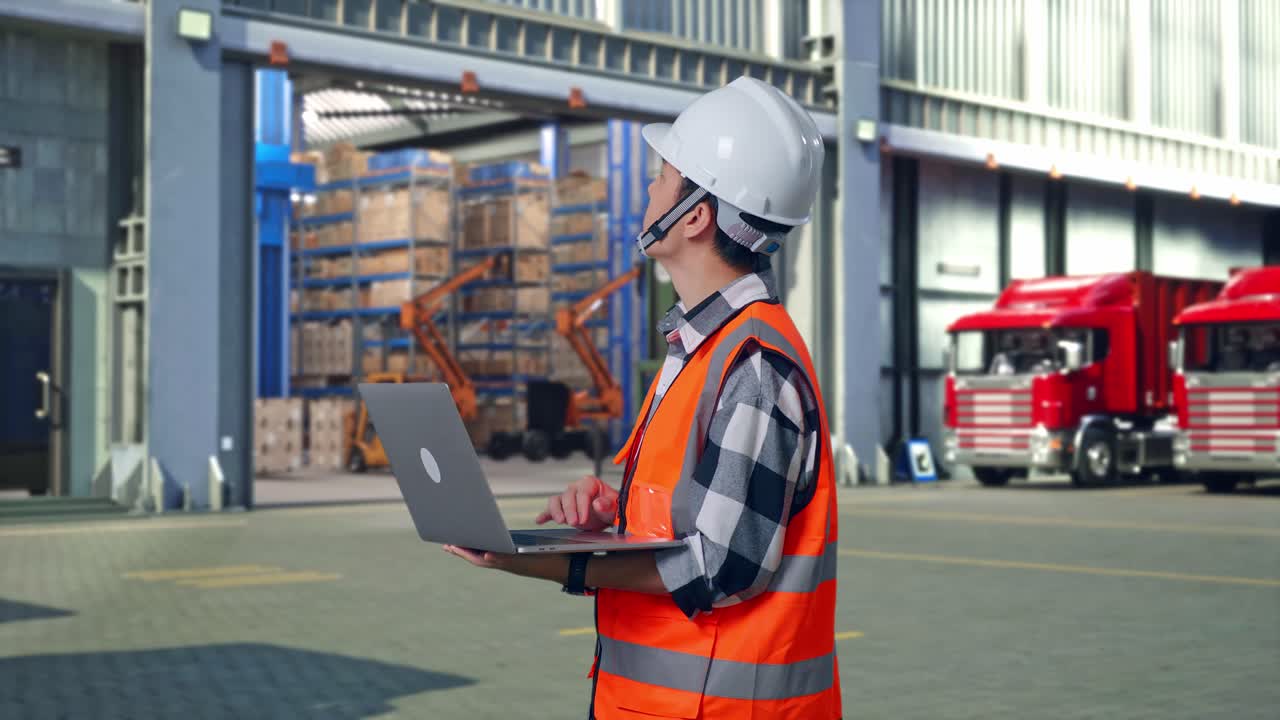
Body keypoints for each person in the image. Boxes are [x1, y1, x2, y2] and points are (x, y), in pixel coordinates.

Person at [444, 76, 841, 720]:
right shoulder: (698, 346)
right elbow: (692, 517)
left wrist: (555, 564)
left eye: (662, 176)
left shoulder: (754, 366)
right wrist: (618, 513)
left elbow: (721, 568)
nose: (649, 189)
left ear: (695, 216)